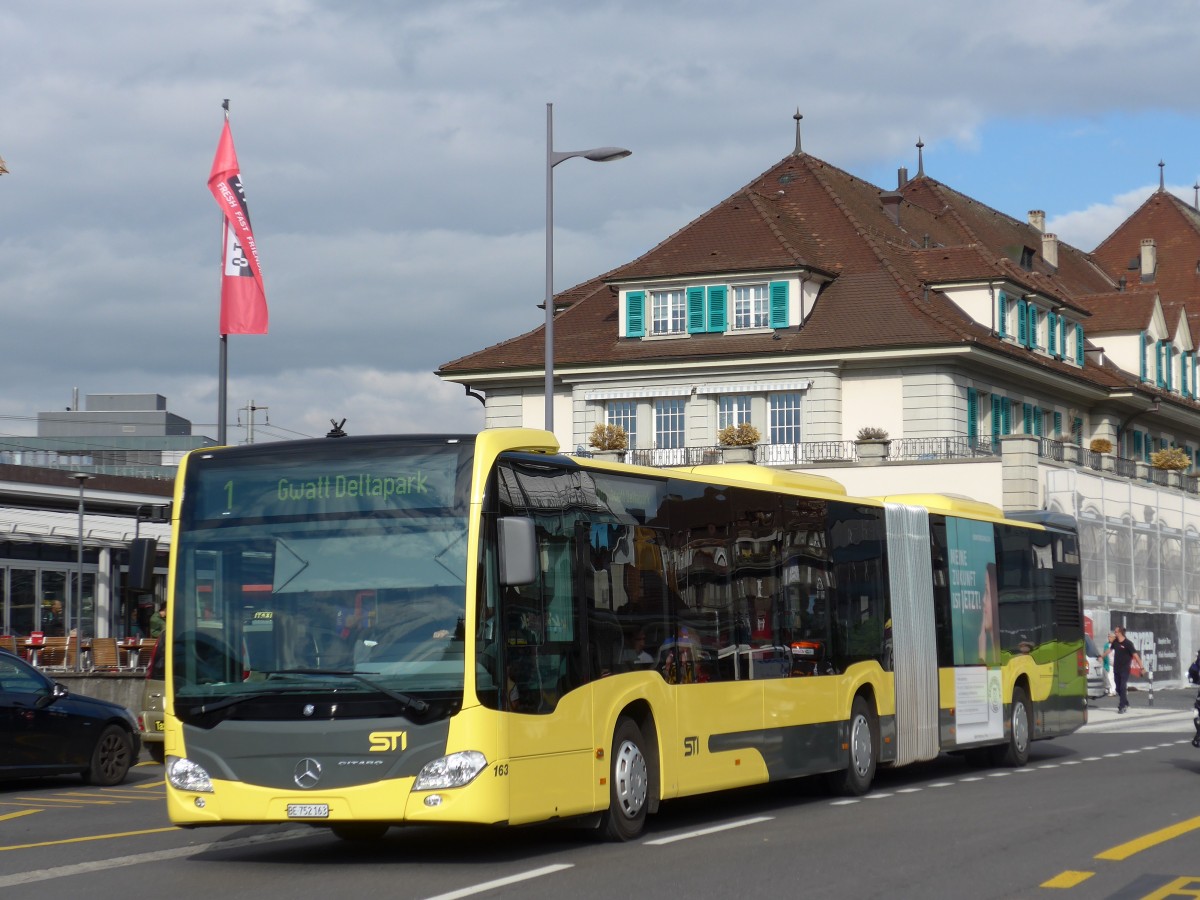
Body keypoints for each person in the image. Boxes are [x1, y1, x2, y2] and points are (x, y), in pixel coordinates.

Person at [1110, 626, 1143, 714]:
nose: (1115, 633)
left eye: (1116, 632)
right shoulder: (1115, 642)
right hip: (1116, 668)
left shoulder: (1128, 643)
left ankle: (1122, 706)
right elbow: (1109, 651)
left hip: (1125, 669)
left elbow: (1136, 656)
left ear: (1120, 632)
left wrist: (1142, 668)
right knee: (1117, 688)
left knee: (1122, 686)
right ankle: (1126, 702)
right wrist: (1101, 656)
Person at [1102, 631, 1116, 696]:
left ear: (1114, 637)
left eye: (1110, 636)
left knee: (1115, 677)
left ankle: (1115, 690)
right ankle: (1112, 690)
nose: (1109, 638)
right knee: (1109, 677)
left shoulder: (1117, 644)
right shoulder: (1106, 645)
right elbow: (1104, 654)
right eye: (1108, 636)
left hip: (1117, 664)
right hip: (1109, 664)